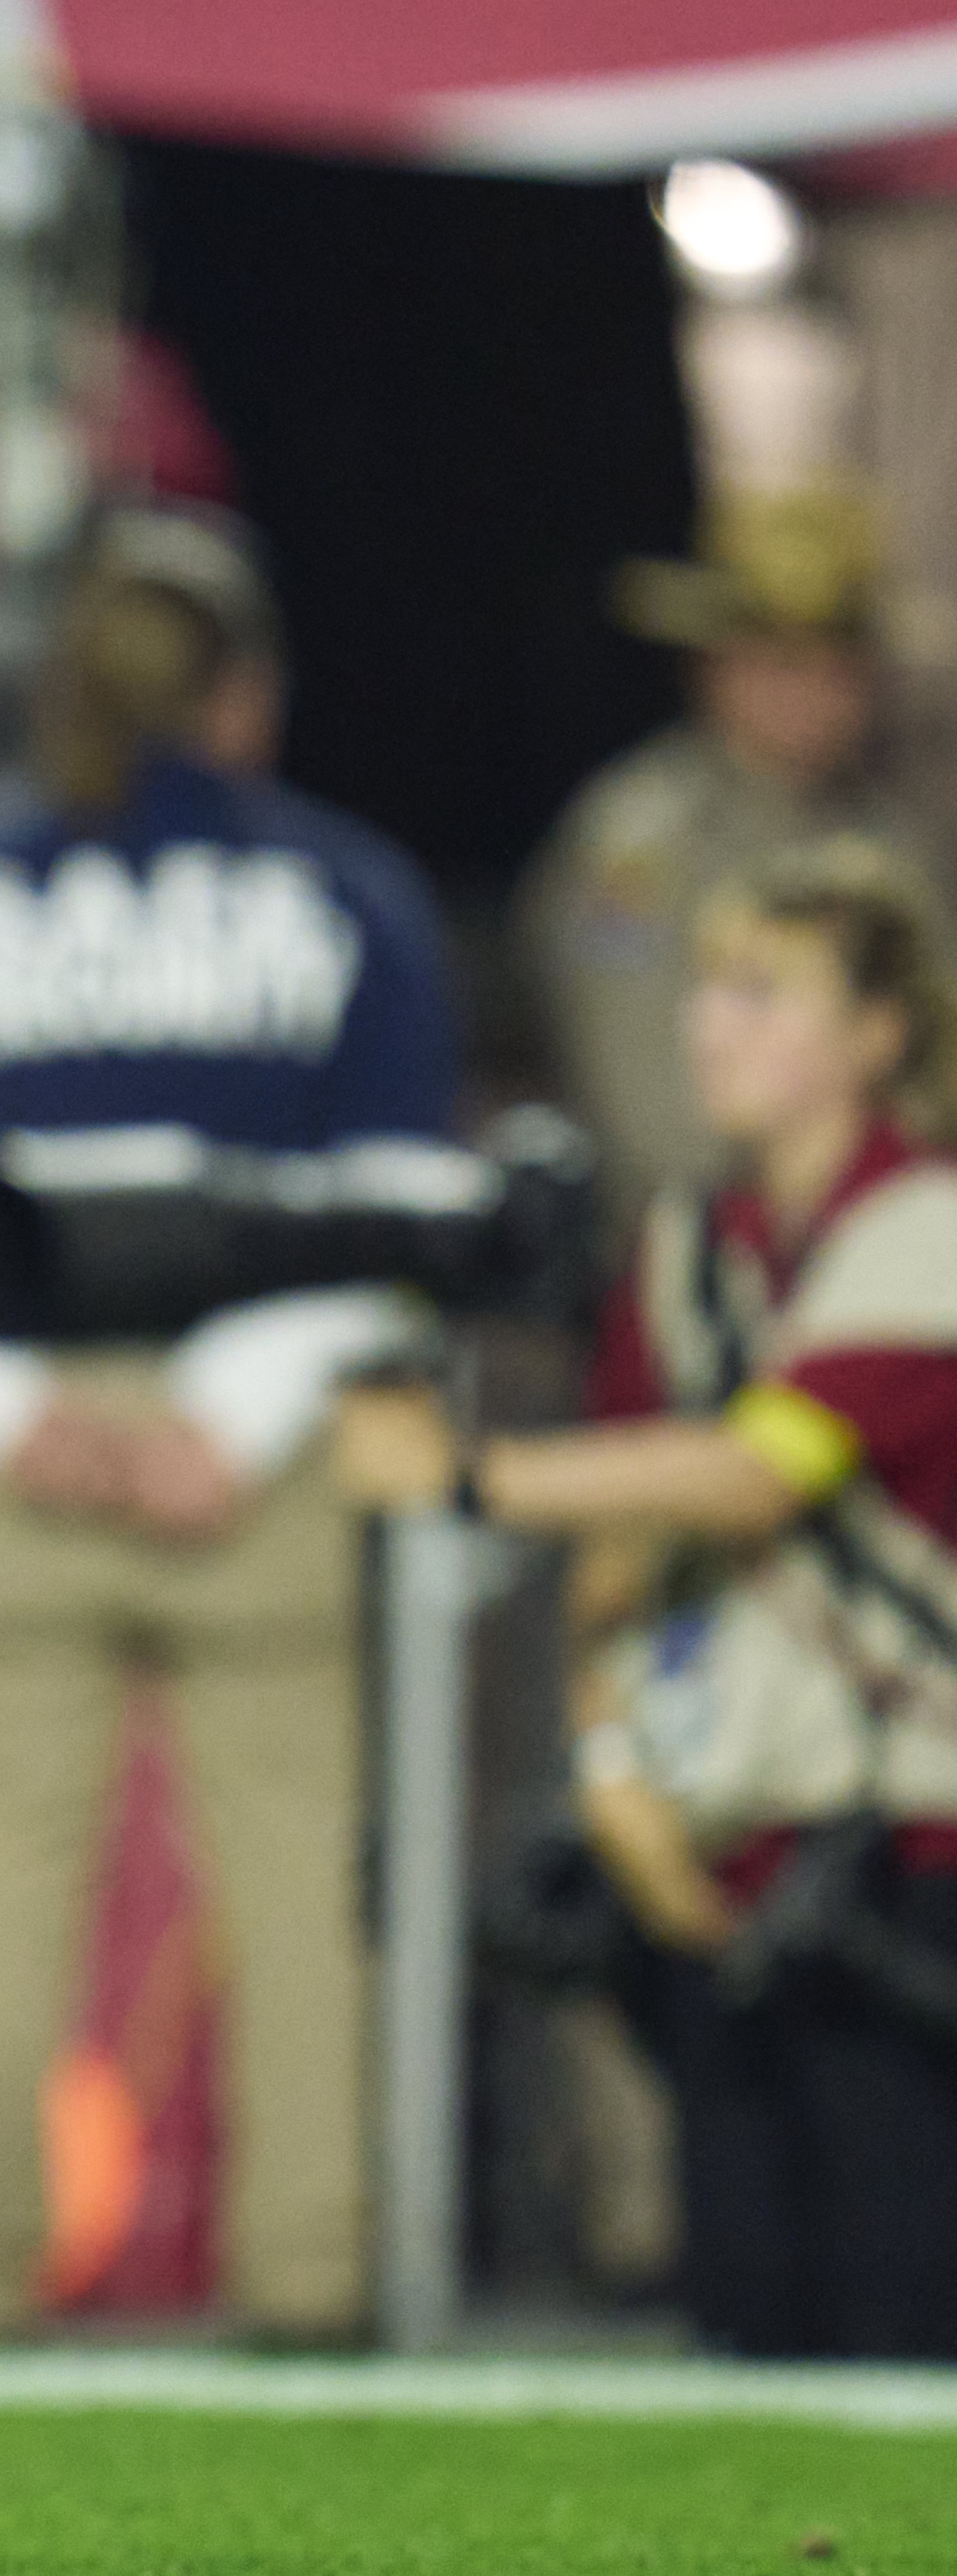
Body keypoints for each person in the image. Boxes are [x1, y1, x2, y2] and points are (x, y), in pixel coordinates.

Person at [0, 506, 454, 2343]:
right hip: (266, 1419)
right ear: (246, 696)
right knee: (305, 1879)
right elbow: (397, 1193)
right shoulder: (348, 896)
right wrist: (230, 1425)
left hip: (25, 1422)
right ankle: (313, 2281)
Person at [335, 842, 957, 2361]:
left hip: (915, 1840)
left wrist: (465, 1477)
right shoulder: (683, 1243)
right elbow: (626, 1526)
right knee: (741, 2294)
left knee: (900, 2296)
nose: (707, 1026)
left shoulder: (924, 1227)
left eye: (760, 991)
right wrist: (609, 1766)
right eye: (701, 989)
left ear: (878, 1030)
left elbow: (750, 1474)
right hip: (724, 1834)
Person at [527, 482, 942, 1227]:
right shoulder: (637, 841)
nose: (810, 688)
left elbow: (932, 1054)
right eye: (777, 656)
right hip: (693, 1244)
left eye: (835, 659)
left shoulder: (891, 840)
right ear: (712, 663)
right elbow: (644, 1100)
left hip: (883, 1228)